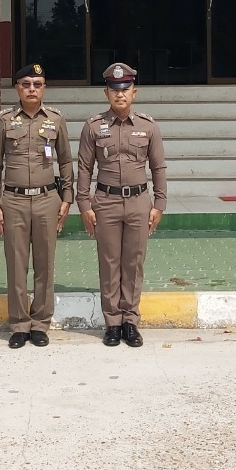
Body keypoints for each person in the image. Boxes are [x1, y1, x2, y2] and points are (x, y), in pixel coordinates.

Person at [76, 61, 167, 349]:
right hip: (106, 202)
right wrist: (84, 204)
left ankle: (130, 321)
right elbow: (84, 168)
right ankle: (113, 323)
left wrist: (159, 203)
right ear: (106, 92)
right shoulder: (93, 126)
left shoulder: (148, 126)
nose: (120, 94)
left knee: (134, 262)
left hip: (139, 202)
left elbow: (158, 167)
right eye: (114, 89)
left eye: (125, 89)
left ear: (134, 92)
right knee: (109, 262)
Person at [0, 62, 74, 350]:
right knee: (16, 264)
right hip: (13, 200)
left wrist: (67, 197)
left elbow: (65, 160)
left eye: (37, 84)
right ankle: (19, 324)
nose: (32, 89)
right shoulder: (4, 120)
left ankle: (40, 323)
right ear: (17, 88)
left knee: (44, 264)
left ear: (44, 88)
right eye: (26, 84)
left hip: (47, 199)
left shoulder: (55, 120)